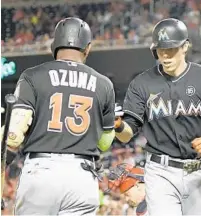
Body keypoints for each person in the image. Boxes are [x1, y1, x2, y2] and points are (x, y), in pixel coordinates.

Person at [114, 18, 201, 215]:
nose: (166, 55)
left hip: (198, 172)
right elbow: (127, 134)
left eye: (172, 49)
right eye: (161, 50)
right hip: (160, 172)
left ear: (185, 46)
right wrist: (118, 126)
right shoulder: (141, 84)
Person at [2, 17, 116, 215]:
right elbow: (105, 142)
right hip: (82, 176)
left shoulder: (33, 76)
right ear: (87, 48)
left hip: (42, 172)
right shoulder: (104, 84)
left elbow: (14, 134)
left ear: (53, 46)